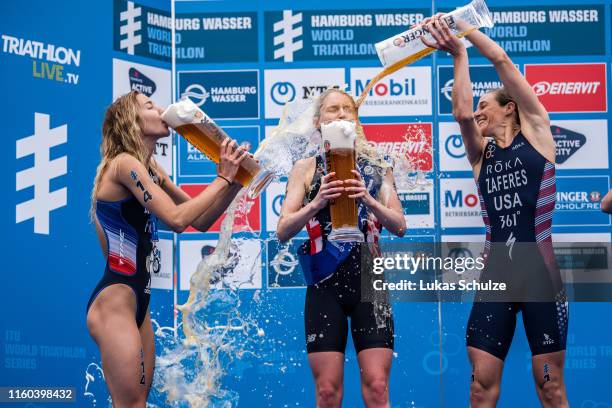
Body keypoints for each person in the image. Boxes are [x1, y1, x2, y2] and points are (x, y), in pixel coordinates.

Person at [421, 16, 569, 407]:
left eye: (486, 105)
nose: (479, 111)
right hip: (495, 279)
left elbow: (501, 59)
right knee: (480, 386)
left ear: (510, 109)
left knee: (550, 386)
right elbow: (461, 115)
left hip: (541, 274)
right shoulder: (480, 155)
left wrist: (465, 28)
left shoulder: (537, 131)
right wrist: (458, 56)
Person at [86, 91, 247, 407]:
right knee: (129, 404)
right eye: (150, 106)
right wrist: (222, 178)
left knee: (140, 402)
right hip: (114, 303)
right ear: (131, 121)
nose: (161, 110)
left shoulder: (151, 169)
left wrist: (235, 182)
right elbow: (175, 220)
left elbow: (200, 219)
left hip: (138, 304)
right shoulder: (123, 164)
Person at [276, 88, 406, 408]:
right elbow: (283, 230)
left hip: (369, 282)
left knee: (377, 387)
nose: (341, 114)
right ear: (319, 122)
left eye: (348, 109)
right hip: (325, 284)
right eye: (333, 110)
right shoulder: (305, 168)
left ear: (356, 120)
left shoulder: (377, 166)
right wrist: (316, 202)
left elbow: (400, 226)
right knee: (327, 392)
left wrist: (368, 199)